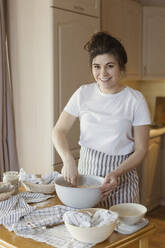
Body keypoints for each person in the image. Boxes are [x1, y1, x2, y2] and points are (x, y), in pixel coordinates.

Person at [52, 32, 151, 208]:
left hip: (121, 182)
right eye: (97, 66)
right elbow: (58, 131)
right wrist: (68, 159)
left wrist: (116, 173)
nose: (103, 73)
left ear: (121, 67)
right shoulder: (83, 93)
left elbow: (142, 149)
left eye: (110, 66)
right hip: (86, 181)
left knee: (120, 233)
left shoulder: (135, 100)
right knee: (87, 230)